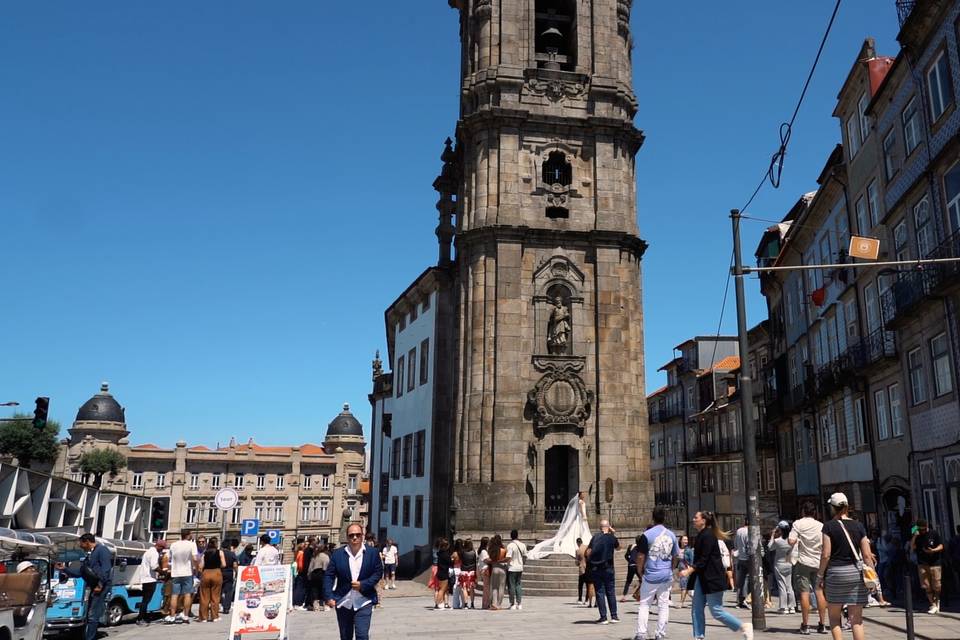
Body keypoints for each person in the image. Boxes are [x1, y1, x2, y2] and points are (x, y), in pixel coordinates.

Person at [679, 511, 753, 640]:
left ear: (704, 521)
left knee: (716, 611)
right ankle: (699, 636)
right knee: (696, 609)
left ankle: (743, 626)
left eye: (696, 517)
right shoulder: (702, 535)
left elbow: (704, 559)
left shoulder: (708, 535)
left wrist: (688, 571)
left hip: (712, 579)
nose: (693, 519)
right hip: (701, 579)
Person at [818, 493, 875, 640]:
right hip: (855, 573)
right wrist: (873, 576)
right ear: (847, 507)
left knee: (834, 618)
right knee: (856, 619)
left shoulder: (829, 527)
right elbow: (867, 555)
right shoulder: (859, 526)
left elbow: (826, 554)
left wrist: (820, 575)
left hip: (835, 574)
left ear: (832, 508)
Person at [324, 524, 383, 640]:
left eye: (358, 535)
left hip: (364, 600)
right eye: (351, 535)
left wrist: (363, 584)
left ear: (362, 536)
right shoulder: (338, 554)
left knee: (362, 635)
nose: (355, 538)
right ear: (347, 537)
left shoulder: (372, 553)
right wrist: (328, 596)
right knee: (346, 636)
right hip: (343, 601)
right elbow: (328, 576)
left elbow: (378, 573)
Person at [633, 507, 679, 640]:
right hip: (666, 575)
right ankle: (660, 633)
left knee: (645, 604)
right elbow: (676, 555)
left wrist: (640, 570)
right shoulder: (671, 535)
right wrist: (671, 568)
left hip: (651, 574)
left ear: (653, 518)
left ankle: (641, 633)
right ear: (664, 518)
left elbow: (641, 556)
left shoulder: (647, 535)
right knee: (663, 605)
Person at [58, 532, 113, 640]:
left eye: (81, 544)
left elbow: (106, 569)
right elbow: (81, 572)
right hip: (95, 586)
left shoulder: (102, 550)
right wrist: (64, 569)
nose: (80, 546)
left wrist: (100, 585)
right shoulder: (91, 554)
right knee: (90, 614)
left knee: (93, 614)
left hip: (101, 586)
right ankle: (89, 635)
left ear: (87, 542)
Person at [789, 501, 827, 635]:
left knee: (804, 593)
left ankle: (805, 625)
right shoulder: (821, 526)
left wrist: (799, 539)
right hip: (818, 563)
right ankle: (822, 624)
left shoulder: (798, 524)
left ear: (803, 512)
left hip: (803, 562)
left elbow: (791, 541)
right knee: (819, 592)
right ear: (815, 512)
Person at [528, 492, 592, 559]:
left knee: (579, 530)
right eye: (583, 494)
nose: (584, 495)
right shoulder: (581, 502)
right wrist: (584, 516)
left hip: (579, 518)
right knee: (581, 530)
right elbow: (582, 510)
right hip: (581, 518)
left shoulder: (578, 501)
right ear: (580, 495)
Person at [586, 518, 620, 624]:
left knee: (600, 592)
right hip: (609, 568)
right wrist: (613, 533)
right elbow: (619, 547)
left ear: (600, 528)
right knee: (611, 592)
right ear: (608, 527)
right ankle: (614, 616)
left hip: (597, 569)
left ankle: (603, 617)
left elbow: (588, 552)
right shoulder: (611, 538)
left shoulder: (595, 537)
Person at [913, 518, 944, 614]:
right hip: (922, 563)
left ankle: (937, 599)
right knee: (926, 585)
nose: (922, 531)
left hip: (935, 562)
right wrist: (914, 537)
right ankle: (933, 604)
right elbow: (912, 547)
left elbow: (941, 545)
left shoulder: (933, 533)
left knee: (937, 584)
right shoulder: (917, 536)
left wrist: (933, 550)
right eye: (920, 529)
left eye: (924, 529)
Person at [165, 530, 197, 624]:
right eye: (191, 534)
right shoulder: (191, 544)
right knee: (187, 594)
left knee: (174, 595)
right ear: (188, 535)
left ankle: (172, 616)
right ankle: (186, 616)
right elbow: (195, 558)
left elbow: (168, 558)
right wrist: (196, 566)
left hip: (176, 573)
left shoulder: (174, 545)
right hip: (187, 572)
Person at [134, 539, 165, 626]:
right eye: (162, 548)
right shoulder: (154, 553)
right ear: (158, 546)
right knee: (146, 600)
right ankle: (140, 618)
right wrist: (163, 572)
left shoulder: (148, 552)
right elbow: (154, 566)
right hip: (149, 579)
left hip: (144, 578)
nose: (161, 550)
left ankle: (142, 617)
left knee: (145, 599)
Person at [769, 522, 796, 614]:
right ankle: (792, 607)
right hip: (788, 563)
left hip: (779, 564)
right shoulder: (791, 540)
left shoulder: (778, 541)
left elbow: (770, 547)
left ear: (780, 530)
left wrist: (772, 535)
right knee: (789, 585)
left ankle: (783, 607)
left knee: (782, 586)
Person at [196, 538, 225, 622]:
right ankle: (214, 616)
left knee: (204, 596)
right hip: (216, 573)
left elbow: (200, 567)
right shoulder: (220, 552)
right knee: (215, 596)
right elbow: (224, 564)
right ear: (216, 544)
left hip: (206, 573)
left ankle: (203, 617)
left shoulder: (204, 553)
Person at [733, 519, 753, 608]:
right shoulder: (750, 531)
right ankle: (746, 599)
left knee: (741, 580)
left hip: (740, 557)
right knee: (748, 580)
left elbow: (736, 545)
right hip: (748, 558)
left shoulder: (739, 531)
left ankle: (739, 601)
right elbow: (749, 546)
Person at [506, 529, 527, 610]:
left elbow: (508, 557)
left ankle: (512, 603)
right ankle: (519, 603)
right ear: (517, 535)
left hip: (512, 568)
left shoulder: (510, 545)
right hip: (519, 567)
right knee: (518, 585)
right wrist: (522, 563)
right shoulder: (522, 545)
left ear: (511, 536)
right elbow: (525, 556)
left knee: (511, 586)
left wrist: (506, 564)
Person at [485, 534, 508, 610]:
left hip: (495, 568)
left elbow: (489, 559)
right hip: (502, 568)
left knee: (494, 587)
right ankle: (499, 604)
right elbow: (507, 558)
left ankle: (494, 603)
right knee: (501, 587)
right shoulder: (504, 550)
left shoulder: (492, 550)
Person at [309, 543, 332, 611]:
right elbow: (328, 565)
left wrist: (309, 574)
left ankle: (316, 606)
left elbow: (310, 567)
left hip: (314, 574)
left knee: (315, 590)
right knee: (324, 589)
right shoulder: (325, 556)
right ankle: (326, 605)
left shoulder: (314, 556)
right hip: (322, 573)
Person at [620, 535, 641, 602]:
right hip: (638, 566)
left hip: (631, 565)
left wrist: (630, 561)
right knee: (643, 580)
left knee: (628, 581)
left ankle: (624, 596)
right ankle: (636, 593)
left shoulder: (631, 546)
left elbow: (626, 555)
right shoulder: (642, 547)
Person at [221, 539, 239, 616]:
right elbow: (235, 565)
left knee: (218, 590)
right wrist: (237, 572)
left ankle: (220, 604)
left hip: (220, 572)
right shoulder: (232, 554)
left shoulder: (220, 553)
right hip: (229, 573)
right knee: (228, 591)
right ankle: (226, 607)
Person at [434, 538, 452, 610]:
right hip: (444, 573)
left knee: (440, 589)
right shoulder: (445, 554)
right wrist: (452, 560)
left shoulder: (440, 553)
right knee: (442, 589)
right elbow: (450, 562)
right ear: (445, 546)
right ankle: (438, 603)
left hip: (440, 572)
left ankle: (440, 603)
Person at [459, 539, 477, 609]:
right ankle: (472, 604)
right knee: (472, 588)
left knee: (464, 588)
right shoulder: (473, 552)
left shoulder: (462, 552)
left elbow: (461, 560)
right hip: (472, 571)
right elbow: (475, 562)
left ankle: (466, 604)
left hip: (464, 571)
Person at [677, 535, 693, 608]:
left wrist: (690, 570)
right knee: (687, 589)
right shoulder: (678, 549)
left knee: (684, 587)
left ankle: (681, 603)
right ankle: (699, 601)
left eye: (687, 539)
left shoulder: (689, 550)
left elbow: (692, 561)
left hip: (686, 570)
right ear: (680, 541)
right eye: (684, 539)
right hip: (680, 570)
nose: (686, 541)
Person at [477, 537, 490, 610]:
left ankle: (485, 604)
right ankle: (485, 604)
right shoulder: (483, 551)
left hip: (483, 569)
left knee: (486, 588)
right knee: (486, 588)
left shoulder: (482, 550)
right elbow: (486, 560)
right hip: (485, 570)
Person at [575, 537, 589, 605]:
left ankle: (580, 599)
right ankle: (586, 600)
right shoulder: (587, 547)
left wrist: (578, 563)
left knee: (580, 585)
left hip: (582, 569)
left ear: (577, 543)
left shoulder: (578, 550)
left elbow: (577, 562)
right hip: (588, 569)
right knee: (587, 585)